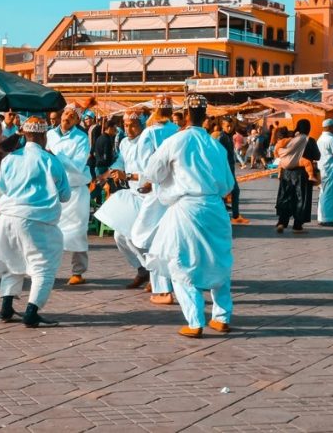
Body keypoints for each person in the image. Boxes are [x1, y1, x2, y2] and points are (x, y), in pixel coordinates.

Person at [143, 95, 235, 338]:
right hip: (215, 208)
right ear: (205, 116)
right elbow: (228, 184)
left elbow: (152, 171)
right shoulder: (216, 145)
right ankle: (222, 317)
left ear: (184, 116)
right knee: (220, 260)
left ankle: (195, 321)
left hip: (187, 208)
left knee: (181, 262)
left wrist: (170, 178)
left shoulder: (175, 141)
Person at [0, 116, 71, 328]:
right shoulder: (50, 160)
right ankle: (31, 311)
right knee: (43, 266)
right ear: (44, 136)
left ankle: (6, 308)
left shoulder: (10, 159)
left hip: (4, 218)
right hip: (35, 219)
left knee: (12, 263)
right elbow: (65, 195)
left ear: (25, 135)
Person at [132, 95, 181, 304]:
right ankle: (171, 282)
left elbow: (144, 164)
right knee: (170, 236)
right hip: (176, 190)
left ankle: (162, 287)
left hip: (156, 189)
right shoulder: (178, 132)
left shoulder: (150, 133)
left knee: (145, 237)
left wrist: (146, 182)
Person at [95, 112, 148, 288]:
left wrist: (130, 176)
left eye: (132, 124)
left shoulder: (147, 142)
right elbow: (120, 162)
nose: (128, 128)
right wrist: (107, 175)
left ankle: (156, 273)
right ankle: (142, 269)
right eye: (125, 125)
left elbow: (152, 174)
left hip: (148, 196)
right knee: (120, 235)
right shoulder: (124, 143)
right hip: (132, 194)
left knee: (136, 236)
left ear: (141, 124)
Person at [46, 105, 92, 285]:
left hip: (75, 190)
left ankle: (78, 272)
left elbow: (78, 165)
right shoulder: (50, 134)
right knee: (49, 229)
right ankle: (46, 268)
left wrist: (57, 156)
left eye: (72, 116)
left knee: (78, 231)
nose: (67, 118)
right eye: (66, 113)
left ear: (76, 121)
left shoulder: (81, 139)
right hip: (54, 190)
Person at [274, 120, 321, 233]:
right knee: (301, 198)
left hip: (286, 172)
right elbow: (317, 156)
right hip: (302, 173)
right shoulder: (309, 140)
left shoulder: (290, 139)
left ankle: (282, 222)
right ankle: (297, 225)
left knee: (286, 196)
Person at [218, 117, 248, 225]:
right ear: (222, 126)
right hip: (225, 169)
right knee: (233, 191)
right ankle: (233, 216)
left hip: (229, 168)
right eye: (227, 126)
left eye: (231, 126)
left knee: (230, 192)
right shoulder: (222, 137)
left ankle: (232, 216)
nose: (230, 128)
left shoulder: (228, 136)